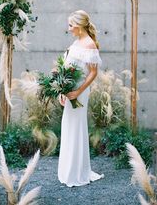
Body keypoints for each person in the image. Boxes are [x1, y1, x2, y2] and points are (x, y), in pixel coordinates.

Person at [58, 10, 104, 187]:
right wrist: (62, 91)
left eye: (71, 25)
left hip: (80, 94)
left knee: (76, 128)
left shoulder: (89, 44)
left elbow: (93, 73)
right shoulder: (77, 41)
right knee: (68, 127)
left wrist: (77, 93)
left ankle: (77, 172)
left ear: (79, 25)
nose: (69, 29)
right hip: (70, 92)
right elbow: (67, 68)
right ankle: (69, 170)